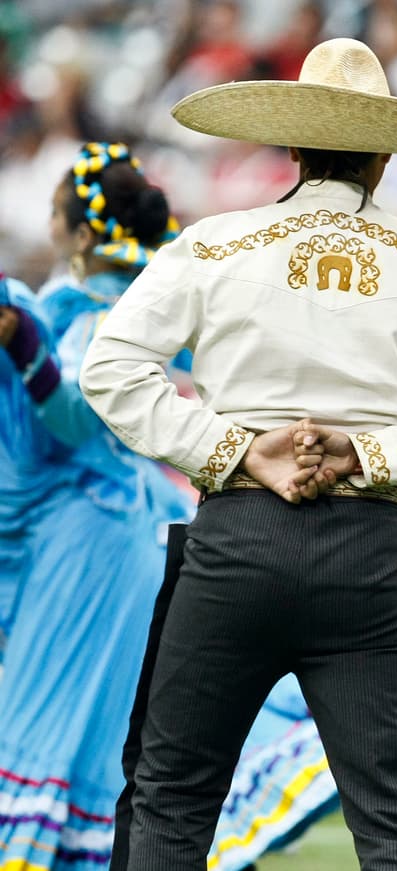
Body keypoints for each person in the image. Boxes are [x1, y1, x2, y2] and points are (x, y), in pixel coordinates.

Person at [79, 38, 397, 871]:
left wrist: (238, 450)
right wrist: (366, 451)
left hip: (236, 541)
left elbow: (109, 368)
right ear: (387, 153)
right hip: (372, 556)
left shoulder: (215, 244)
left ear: (290, 144)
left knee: (171, 800)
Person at [0, 143, 196, 870]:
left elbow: (79, 413)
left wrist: (26, 345)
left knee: (51, 722)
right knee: (98, 737)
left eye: (55, 211)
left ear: (81, 233)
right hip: (121, 529)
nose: (49, 223)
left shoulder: (90, 307)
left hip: (88, 538)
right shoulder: (143, 299)